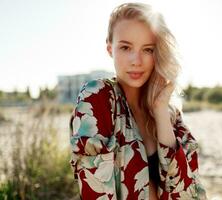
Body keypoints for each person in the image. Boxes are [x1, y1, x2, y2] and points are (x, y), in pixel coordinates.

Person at [69, 2, 207, 199]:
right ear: (110, 49)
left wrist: (160, 112)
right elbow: (95, 190)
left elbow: (188, 191)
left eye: (148, 49)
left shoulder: (170, 113)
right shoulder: (98, 97)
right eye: (125, 47)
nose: (136, 60)